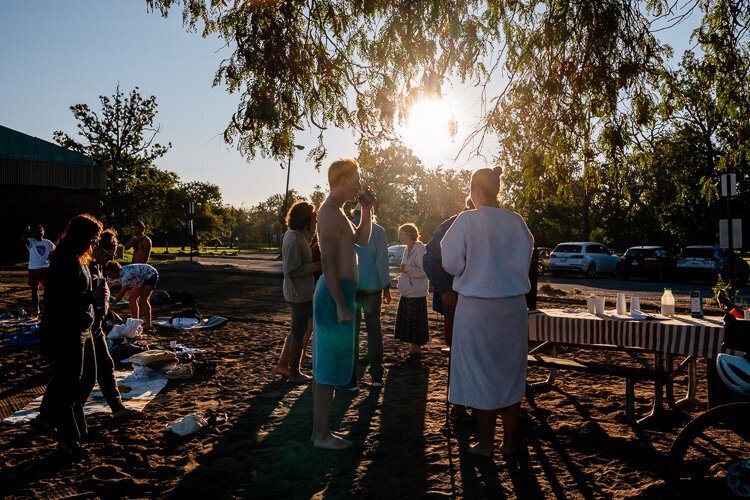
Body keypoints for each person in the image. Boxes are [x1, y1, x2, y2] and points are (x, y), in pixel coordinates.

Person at [441, 167, 533, 458]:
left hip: (477, 308)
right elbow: (527, 258)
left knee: (480, 373)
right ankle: (508, 442)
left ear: (474, 191)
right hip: (513, 307)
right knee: (509, 372)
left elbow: (450, 262)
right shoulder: (517, 221)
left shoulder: (467, 220)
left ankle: (485, 443)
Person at [312, 157, 373, 450]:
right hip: (332, 296)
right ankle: (320, 435)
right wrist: (339, 303)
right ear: (343, 180)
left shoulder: (341, 213)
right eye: (356, 179)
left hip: (344, 293)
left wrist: (366, 209)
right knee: (326, 368)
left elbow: (361, 239)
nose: (359, 184)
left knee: (336, 366)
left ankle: (325, 432)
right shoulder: (328, 214)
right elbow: (326, 262)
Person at [39, 214, 103, 455]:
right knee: (68, 384)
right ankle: (67, 438)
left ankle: (57, 422)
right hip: (65, 330)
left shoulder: (80, 258)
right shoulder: (63, 260)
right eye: (93, 237)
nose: (94, 242)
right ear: (81, 236)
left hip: (83, 327)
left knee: (86, 379)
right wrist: (91, 297)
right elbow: (58, 299)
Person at [80, 229, 132, 419]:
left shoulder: (99, 267)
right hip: (83, 327)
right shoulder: (82, 266)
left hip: (96, 326)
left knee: (105, 366)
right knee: (86, 377)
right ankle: (56, 415)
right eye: (109, 253)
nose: (110, 258)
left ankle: (117, 407)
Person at [344, 204, 391, 389]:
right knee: (374, 331)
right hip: (372, 288)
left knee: (352, 333)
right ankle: (376, 376)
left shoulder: (347, 227)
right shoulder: (378, 231)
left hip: (351, 287)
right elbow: (382, 260)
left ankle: (350, 379)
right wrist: (385, 285)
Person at [275, 200, 321, 383]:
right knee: (298, 332)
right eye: (313, 218)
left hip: (302, 292)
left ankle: (285, 366)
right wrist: (316, 266)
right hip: (298, 293)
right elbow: (292, 270)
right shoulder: (293, 238)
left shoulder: (298, 236)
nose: (315, 221)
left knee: (299, 330)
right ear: (305, 219)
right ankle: (293, 372)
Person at [423, 197, 474, 346]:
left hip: (481, 300)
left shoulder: (492, 224)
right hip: (455, 297)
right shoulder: (452, 225)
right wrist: (445, 289)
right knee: (458, 346)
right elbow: (430, 258)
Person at [394, 223, 429, 360]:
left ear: (409, 234)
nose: (399, 237)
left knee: (415, 321)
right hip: (407, 291)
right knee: (409, 321)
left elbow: (423, 272)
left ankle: (416, 349)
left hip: (416, 291)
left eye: (401, 234)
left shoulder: (421, 250)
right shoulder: (405, 250)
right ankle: (412, 348)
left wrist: (407, 268)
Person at [105, 261, 159, 330]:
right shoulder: (112, 275)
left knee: (143, 299)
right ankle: (135, 322)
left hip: (150, 274)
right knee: (132, 299)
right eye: (107, 274)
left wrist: (112, 305)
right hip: (140, 278)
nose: (109, 276)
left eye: (110, 274)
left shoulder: (126, 275)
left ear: (115, 270)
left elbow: (121, 294)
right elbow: (107, 287)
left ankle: (148, 325)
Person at [21, 225, 55, 316]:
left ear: (44, 232)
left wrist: (51, 257)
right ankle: (36, 309)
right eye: (37, 231)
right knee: (34, 289)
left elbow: (56, 251)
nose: (39, 233)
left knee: (49, 287)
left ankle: (46, 304)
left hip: (45, 268)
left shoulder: (48, 243)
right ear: (34, 233)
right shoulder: (32, 241)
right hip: (33, 268)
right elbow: (23, 240)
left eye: (41, 231)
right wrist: (27, 233)